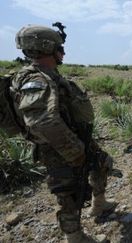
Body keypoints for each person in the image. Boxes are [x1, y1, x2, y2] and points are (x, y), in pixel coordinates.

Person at [11, 24, 117, 242]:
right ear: (47, 47)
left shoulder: (49, 76)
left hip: (75, 138)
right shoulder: (36, 80)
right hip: (58, 147)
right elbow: (43, 122)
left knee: (102, 162)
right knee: (68, 193)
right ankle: (75, 237)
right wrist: (75, 151)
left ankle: (99, 203)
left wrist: (81, 146)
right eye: (60, 47)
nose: (64, 52)